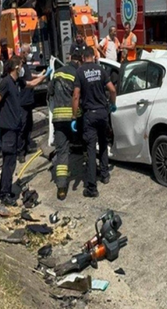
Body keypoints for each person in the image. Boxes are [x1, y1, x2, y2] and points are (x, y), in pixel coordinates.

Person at [72, 47, 117, 198]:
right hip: (102, 113)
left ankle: (91, 187)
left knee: (91, 149)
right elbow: (112, 90)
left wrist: (74, 116)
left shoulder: (79, 72)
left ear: (83, 58)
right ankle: (104, 175)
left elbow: (76, 96)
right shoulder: (101, 70)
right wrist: (112, 104)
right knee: (103, 143)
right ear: (93, 56)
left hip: (89, 115)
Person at [48, 46, 82, 200]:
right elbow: (79, 96)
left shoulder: (58, 72)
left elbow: (50, 93)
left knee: (62, 151)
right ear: (79, 60)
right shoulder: (78, 74)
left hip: (58, 119)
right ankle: (89, 177)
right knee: (86, 144)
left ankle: (61, 188)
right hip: (73, 119)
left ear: (70, 58)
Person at [0, 55, 25, 206]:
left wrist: (44, 75)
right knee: (9, 161)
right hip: (8, 128)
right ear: (16, 67)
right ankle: (4, 194)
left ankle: (5, 189)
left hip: (14, 127)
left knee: (10, 161)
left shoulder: (15, 82)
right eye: (21, 65)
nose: (22, 67)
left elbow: (30, 84)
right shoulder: (6, 82)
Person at [17, 43, 51, 162]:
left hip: (28, 101)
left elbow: (29, 75)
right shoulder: (19, 66)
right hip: (22, 101)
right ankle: (21, 152)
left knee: (29, 126)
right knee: (23, 126)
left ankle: (26, 147)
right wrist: (43, 77)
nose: (30, 54)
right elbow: (30, 83)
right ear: (23, 53)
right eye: (28, 52)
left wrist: (38, 74)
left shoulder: (24, 65)